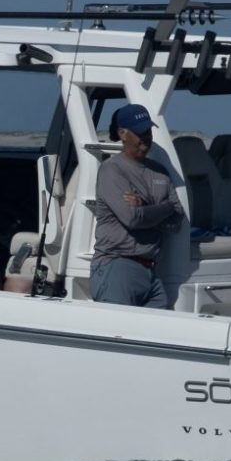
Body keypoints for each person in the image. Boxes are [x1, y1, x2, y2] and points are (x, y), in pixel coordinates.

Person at [88, 104, 184, 308]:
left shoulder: (160, 172)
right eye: (140, 132)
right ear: (122, 133)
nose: (146, 137)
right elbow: (132, 218)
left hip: (150, 271)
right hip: (117, 266)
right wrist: (164, 208)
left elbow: (176, 220)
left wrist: (147, 207)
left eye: (148, 131)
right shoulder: (111, 170)